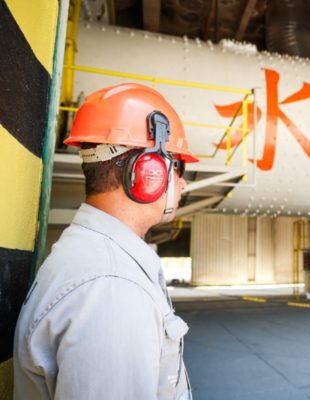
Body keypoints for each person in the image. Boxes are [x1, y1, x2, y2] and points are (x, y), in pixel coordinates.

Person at [13, 83, 199, 400]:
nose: (181, 181)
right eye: (176, 165)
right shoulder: (112, 289)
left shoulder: (95, 258)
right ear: (147, 171)